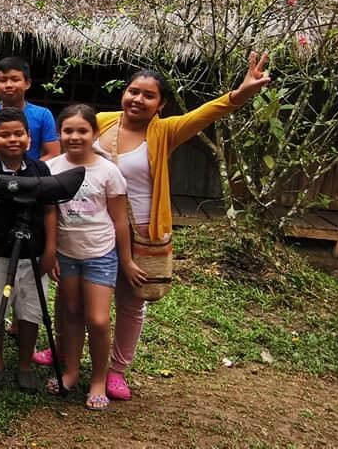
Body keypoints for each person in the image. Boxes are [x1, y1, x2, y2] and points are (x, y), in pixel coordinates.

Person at [97, 53, 271, 401]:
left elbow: (206, 114)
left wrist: (241, 93)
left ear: (160, 104)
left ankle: (116, 370)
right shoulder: (101, 122)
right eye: (133, 91)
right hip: (96, 224)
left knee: (132, 300)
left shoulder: (164, 131)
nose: (138, 99)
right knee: (86, 294)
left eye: (148, 95)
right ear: (123, 93)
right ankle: (70, 355)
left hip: (142, 228)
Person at [46, 105, 129, 411]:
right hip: (67, 254)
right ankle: (70, 371)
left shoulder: (108, 171)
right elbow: (50, 215)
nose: (75, 136)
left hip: (100, 253)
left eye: (83, 130)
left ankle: (98, 378)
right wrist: (51, 252)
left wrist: (127, 260)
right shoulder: (52, 168)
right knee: (71, 314)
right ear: (60, 134)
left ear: (95, 134)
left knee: (98, 319)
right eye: (68, 130)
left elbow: (120, 220)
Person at [0, 107, 57, 393]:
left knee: (30, 311)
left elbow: (50, 211)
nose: (13, 140)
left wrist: (52, 249)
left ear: (29, 138)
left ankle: (25, 364)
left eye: (19, 133)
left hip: (34, 255)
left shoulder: (40, 170)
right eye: (4, 135)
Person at [0, 57, 60, 163]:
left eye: (15, 80)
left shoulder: (43, 115)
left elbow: (53, 154)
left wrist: (30, 172)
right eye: (3, 80)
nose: (9, 85)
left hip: (30, 177)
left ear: (27, 83)